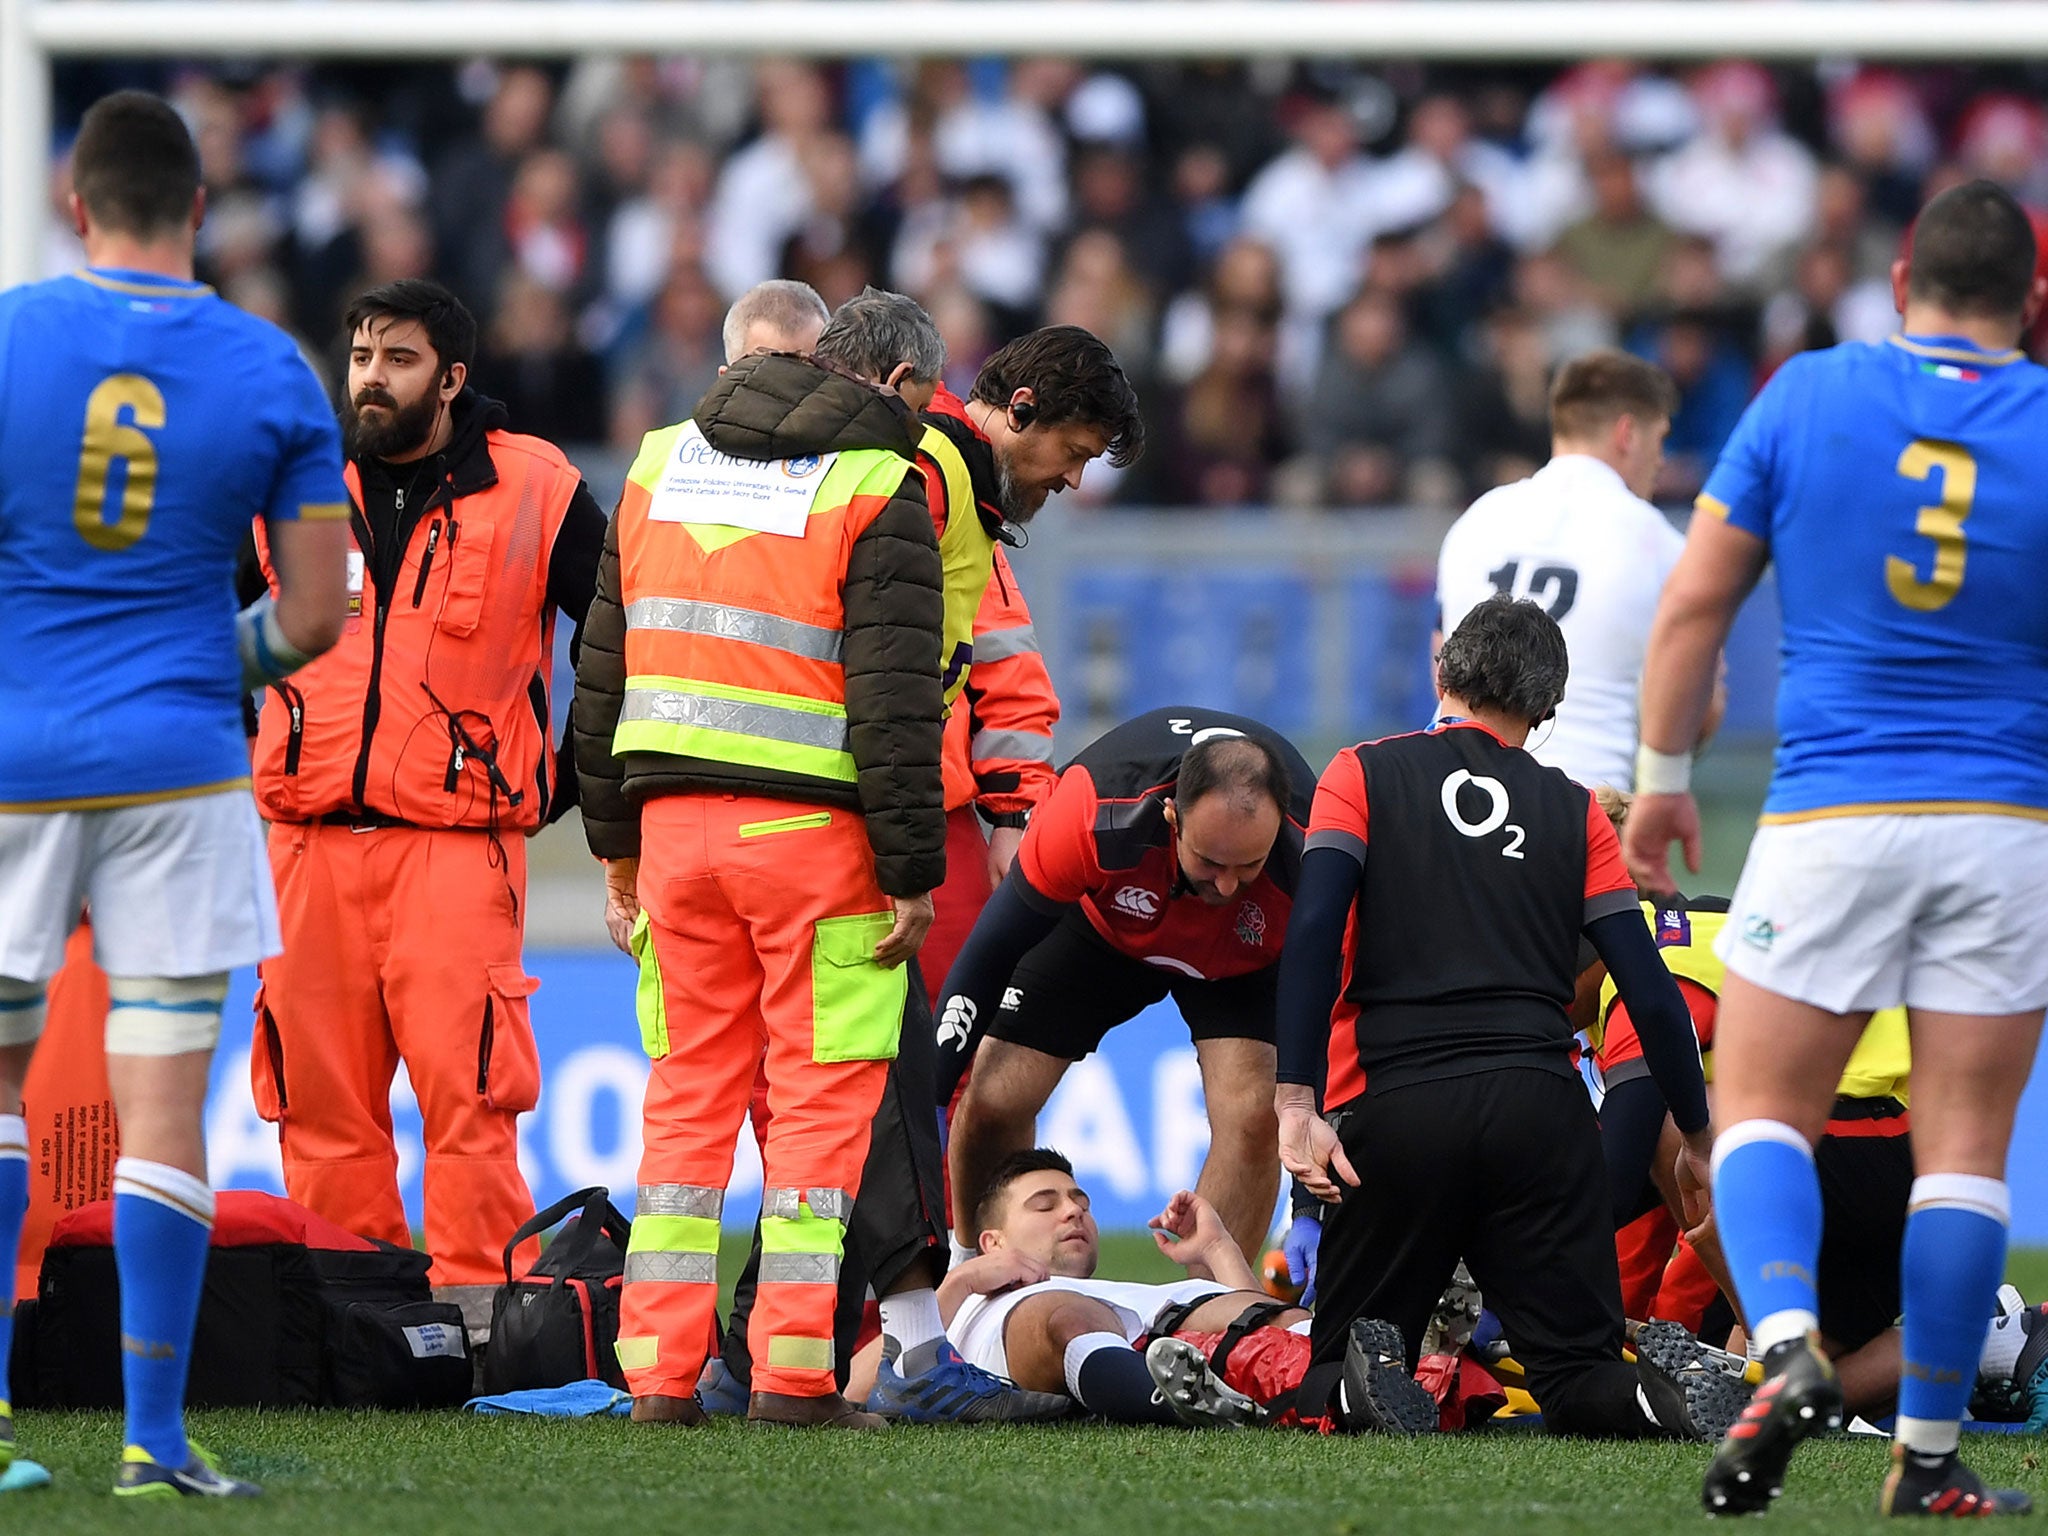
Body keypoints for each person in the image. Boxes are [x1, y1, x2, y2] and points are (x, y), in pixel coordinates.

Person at [1625, 179, 2048, 1517]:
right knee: (1966, 1150)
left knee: (1759, 1113)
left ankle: (1792, 1339)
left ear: (1901, 273)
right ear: (2034, 303)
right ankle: (1922, 1456)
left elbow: (1696, 603)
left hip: (1830, 812)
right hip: (2005, 826)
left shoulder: (1809, 393)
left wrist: (1663, 785)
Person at [0, 90, 349, 1497]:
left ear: (78, 204)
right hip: (185, 769)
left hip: (14, 765)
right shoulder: (269, 369)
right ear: (199, 211)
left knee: (2, 1092)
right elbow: (316, 615)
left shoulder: (11, 335)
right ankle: (153, 1443)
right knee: (160, 1111)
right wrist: (222, 662)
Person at [706, 302, 1138, 1426]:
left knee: (837, 1095)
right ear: (1024, 411)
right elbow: (904, 678)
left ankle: (753, 1349)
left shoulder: (933, 480)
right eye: (1074, 453)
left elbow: (984, 669)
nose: (1072, 479)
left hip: (774, 813)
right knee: (878, 1090)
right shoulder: (930, 476)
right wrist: (976, 826)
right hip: (871, 826)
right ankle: (877, 1347)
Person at [571, 306, 946, 1431]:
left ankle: (658, 1380)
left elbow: (600, 666)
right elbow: (892, 700)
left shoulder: (653, 466)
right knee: (817, 1114)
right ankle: (790, 1379)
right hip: (812, 845)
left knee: (684, 1110)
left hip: (674, 833)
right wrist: (910, 866)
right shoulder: (880, 478)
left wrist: (615, 847)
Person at [1273, 595, 1735, 1442]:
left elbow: (1311, 934)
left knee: (1328, 1373)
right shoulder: (1578, 810)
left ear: (1443, 667)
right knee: (1579, 1373)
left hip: (1401, 1108)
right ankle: (1653, 1397)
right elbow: (1648, 986)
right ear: (1546, 711)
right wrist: (1699, 1136)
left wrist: (1295, 1101)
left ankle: (1361, 1383)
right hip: (1542, 1115)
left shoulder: (1360, 772)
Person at [242, 278, 606, 1327]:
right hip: (305, 846)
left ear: (450, 379)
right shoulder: (288, 487)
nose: (370, 375)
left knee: (471, 1102)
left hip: (454, 850)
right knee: (319, 1112)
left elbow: (623, 637)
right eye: (360, 354)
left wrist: (565, 780)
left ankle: (480, 1324)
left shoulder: (534, 487)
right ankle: (351, 1326)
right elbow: (212, 640)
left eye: (396, 358)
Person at [939, 711, 1313, 1260]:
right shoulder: (1092, 809)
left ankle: (1208, 1324)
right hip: (1098, 928)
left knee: (1255, 1115)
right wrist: (932, 1100)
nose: (1227, 884)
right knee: (994, 1099)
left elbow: (1331, 1040)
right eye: (1210, 862)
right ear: (1172, 818)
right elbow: (988, 955)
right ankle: (977, 1280)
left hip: (1244, 959)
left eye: (1248, 865)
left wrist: (1308, 1206)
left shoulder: (1314, 852)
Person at [944, 1149, 1440, 1433]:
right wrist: (966, 1278)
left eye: (1080, 1201)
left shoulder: (1131, 1292)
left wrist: (1220, 1250)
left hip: (1165, 1346)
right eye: (1044, 1205)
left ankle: (1412, 1369)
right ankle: (1167, 1401)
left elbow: (1255, 1316)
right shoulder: (972, 1303)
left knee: (1268, 1321)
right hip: (1078, 1340)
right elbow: (883, 1371)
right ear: (993, 1241)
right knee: (1064, 1313)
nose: (1073, 1211)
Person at [1436, 349, 1714, 792]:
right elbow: (1699, 703)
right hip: (1588, 808)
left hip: (1457, 798)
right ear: (1627, 433)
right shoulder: (1659, 544)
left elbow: (1441, 661)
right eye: (1660, 440)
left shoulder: (1476, 521)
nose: (1661, 462)